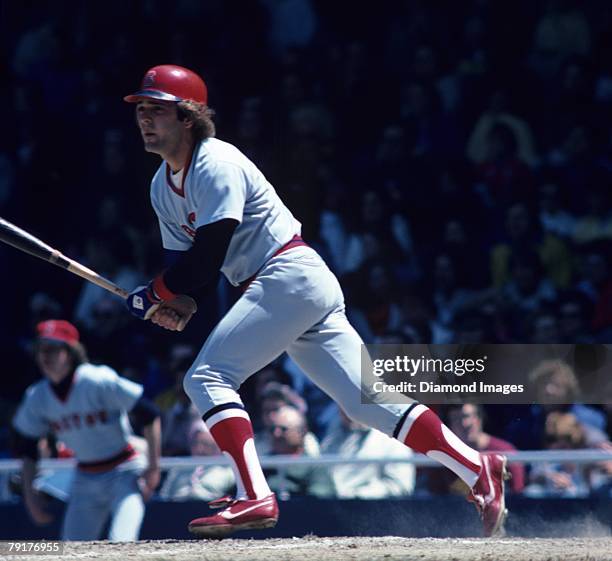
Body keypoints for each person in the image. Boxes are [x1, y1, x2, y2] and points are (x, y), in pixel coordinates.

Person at [122, 64, 508, 538]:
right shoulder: (162, 185)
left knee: (206, 378)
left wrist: (157, 293)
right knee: (365, 401)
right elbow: (186, 270)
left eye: (156, 109)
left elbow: (205, 257)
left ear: (188, 116)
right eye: (141, 109)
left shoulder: (215, 161)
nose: (144, 118)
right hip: (286, 284)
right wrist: (179, 303)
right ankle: (477, 468)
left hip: (286, 274)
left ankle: (254, 495)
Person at [11, 320, 162, 541]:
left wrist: (153, 467)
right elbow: (27, 446)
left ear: (70, 352)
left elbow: (150, 413)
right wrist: (30, 497)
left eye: (53, 349)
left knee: (123, 544)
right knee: (71, 551)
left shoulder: (96, 378)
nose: (45, 356)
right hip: (85, 476)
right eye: (40, 349)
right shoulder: (37, 396)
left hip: (125, 470)